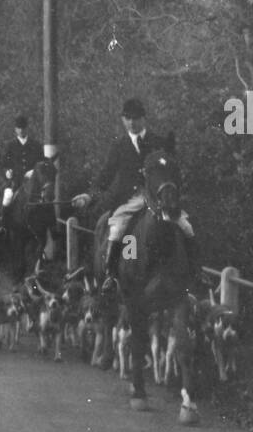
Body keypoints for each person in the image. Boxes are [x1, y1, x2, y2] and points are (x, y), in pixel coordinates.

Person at [71, 97, 191, 293]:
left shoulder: (159, 142)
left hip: (157, 200)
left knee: (186, 226)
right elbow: (106, 175)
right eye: (127, 118)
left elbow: (171, 172)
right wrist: (88, 196)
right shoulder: (118, 146)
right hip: (128, 201)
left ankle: (194, 273)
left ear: (144, 119)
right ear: (122, 120)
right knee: (118, 229)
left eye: (135, 118)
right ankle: (113, 275)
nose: (132, 123)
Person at [0, 115, 39, 190]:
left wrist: (34, 171)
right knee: (7, 197)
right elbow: (3, 163)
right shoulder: (10, 145)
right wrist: (7, 171)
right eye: (19, 128)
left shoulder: (36, 145)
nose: (21, 130)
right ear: (15, 129)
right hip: (15, 180)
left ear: (27, 129)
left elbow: (41, 162)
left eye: (23, 128)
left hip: (33, 180)